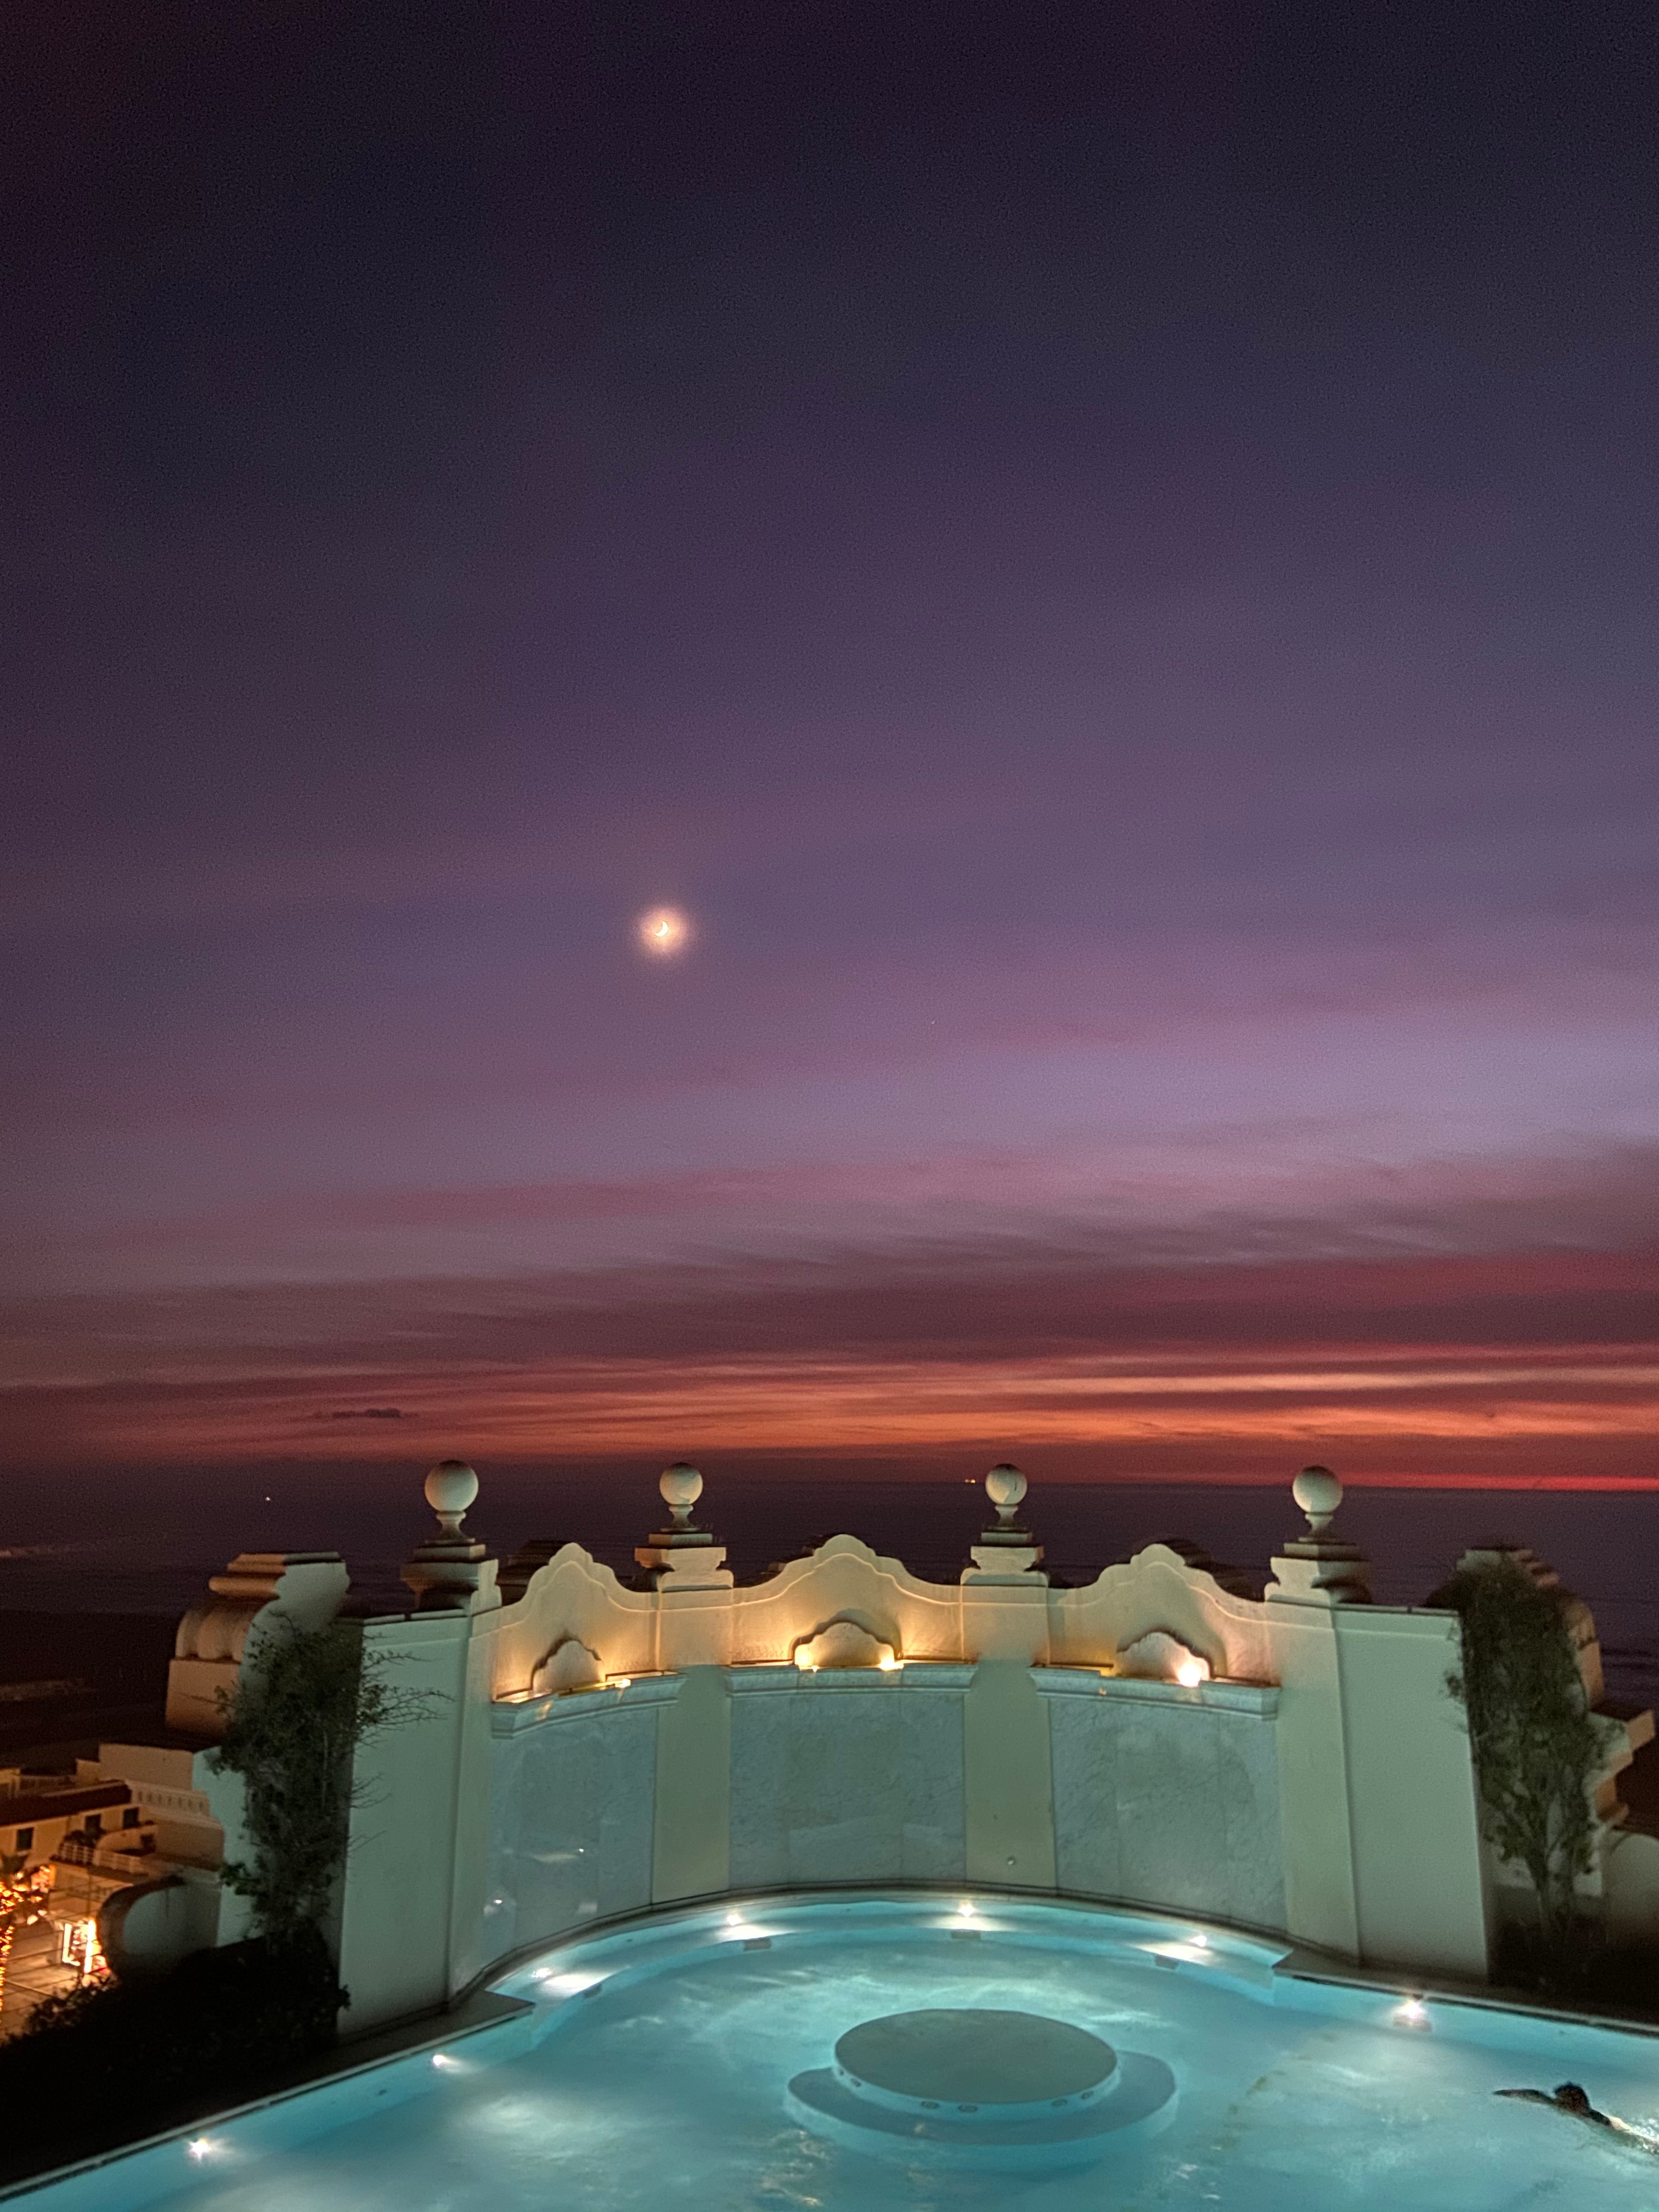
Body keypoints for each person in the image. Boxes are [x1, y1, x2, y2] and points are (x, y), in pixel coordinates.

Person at [1496, 2082, 1659, 2152]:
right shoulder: (1563, 2106)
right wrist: (1509, 2093)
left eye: (1571, 2101)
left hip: (1619, 2130)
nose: (1564, 2105)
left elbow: (1630, 2137)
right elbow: (1538, 2096)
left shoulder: (1594, 2117)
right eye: (1562, 2100)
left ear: (1581, 2102)